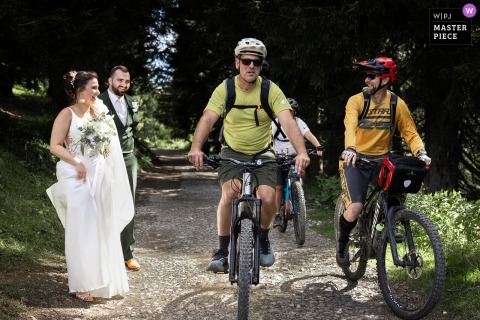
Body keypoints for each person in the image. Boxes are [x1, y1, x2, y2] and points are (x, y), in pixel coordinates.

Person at [187, 37, 310, 273]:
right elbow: (208, 118)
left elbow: (288, 120)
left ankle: (263, 238)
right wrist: (196, 147)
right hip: (232, 151)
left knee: (268, 197)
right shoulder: (226, 88)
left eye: (256, 62)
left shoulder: (270, 89)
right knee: (229, 193)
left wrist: (301, 152)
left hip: (263, 152)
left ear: (262, 65)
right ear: (237, 63)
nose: (251, 66)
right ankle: (223, 250)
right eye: (246, 61)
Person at [46, 70, 134, 301]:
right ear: (80, 90)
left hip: (100, 176)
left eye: (97, 87)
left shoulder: (98, 113)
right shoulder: (67, 114)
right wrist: (76, 161)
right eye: (93, 88)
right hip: (78, 177)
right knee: (82, 232)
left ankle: (103, 281)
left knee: (102, 229)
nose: (97, 92)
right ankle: (80, 284)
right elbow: (55, 145)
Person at [337, 57, 431, 269]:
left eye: (372, 76)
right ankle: (343, 243)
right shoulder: (357, 101)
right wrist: (350, 148)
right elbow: (350, 126)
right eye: (367, 75)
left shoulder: (397, 104)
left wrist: (421, 152)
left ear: (385, 80)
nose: (367, 80)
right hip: (355, 160)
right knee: (355, 208)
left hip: (381, 160)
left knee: (397, 191)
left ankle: (388, 223)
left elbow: (410, 132)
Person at [98, 66, 141, 271]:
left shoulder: (133, 102)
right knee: (105, 203)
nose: (123, 85)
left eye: (127, 81)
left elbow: (132, 129)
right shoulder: (98, 102)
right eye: (120, 81)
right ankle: (106, 250)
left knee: (128, 203)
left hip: (128, 158)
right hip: (105, 159)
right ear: (110, 81)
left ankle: (127, 253)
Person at [272, 98, 324, 228]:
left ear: (294, 113)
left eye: (292, 112)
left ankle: (297, 191)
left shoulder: (298, 122)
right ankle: (278, 214)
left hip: (295, 156)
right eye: (287, 111)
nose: (289, 114)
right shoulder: (275, 123)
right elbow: (267, 138)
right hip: (278, 157)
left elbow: (308, 134)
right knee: (278, 187)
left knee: (300, 171)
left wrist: (318, 146)